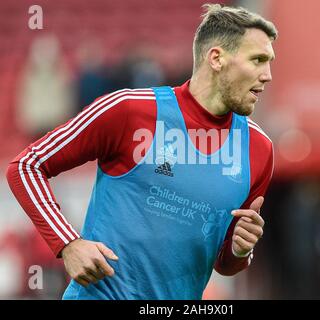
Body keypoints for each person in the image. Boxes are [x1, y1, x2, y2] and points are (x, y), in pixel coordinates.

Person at [6, 4, 277, 300]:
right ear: (216, 58)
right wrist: (67, 243)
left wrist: (239, 250)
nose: (268, 75)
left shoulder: (258, 149)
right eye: (258, 60)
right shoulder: (129, 110)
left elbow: (225, 263)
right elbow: (25, 166)